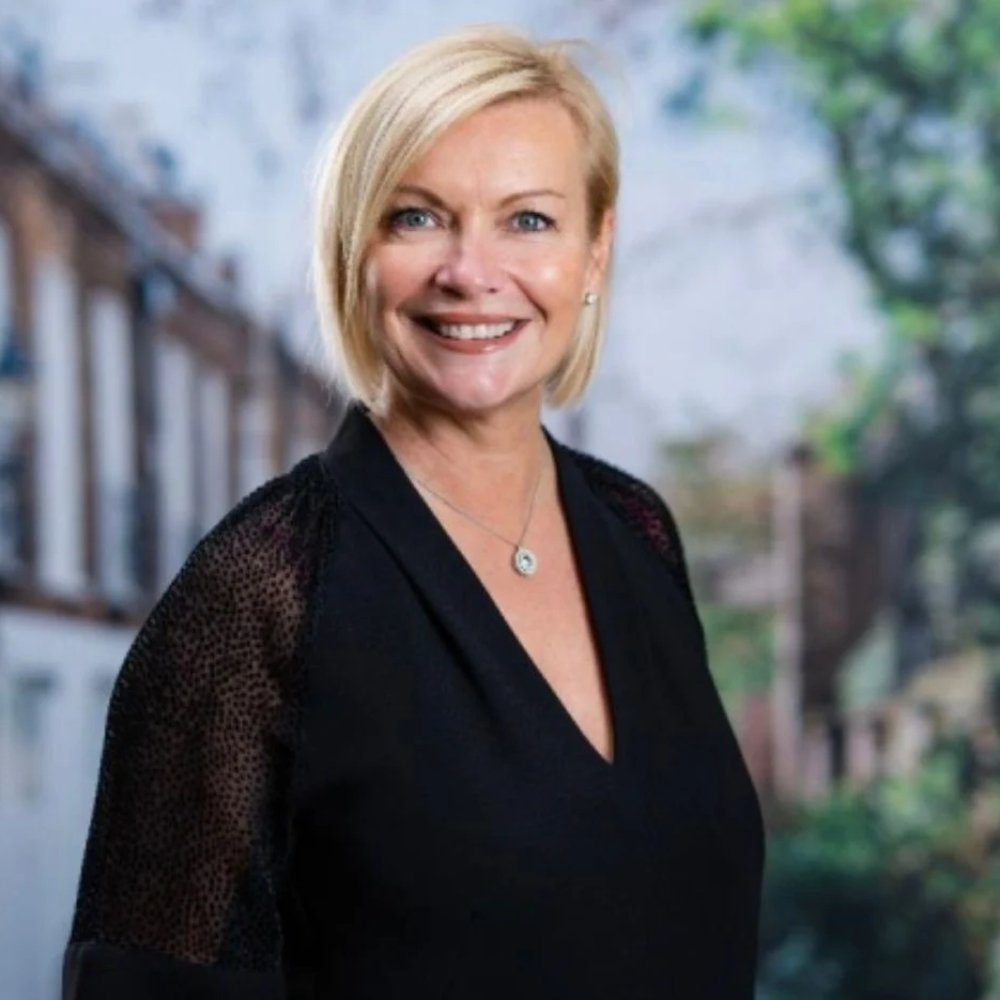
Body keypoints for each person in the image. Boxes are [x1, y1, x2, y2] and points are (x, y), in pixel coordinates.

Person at [62, 25, 764, 999]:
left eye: (527, 220)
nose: (470, 272)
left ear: (595, 248)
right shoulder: (258, 595)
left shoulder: (637, 530)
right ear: (357, 249)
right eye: (418, 217)